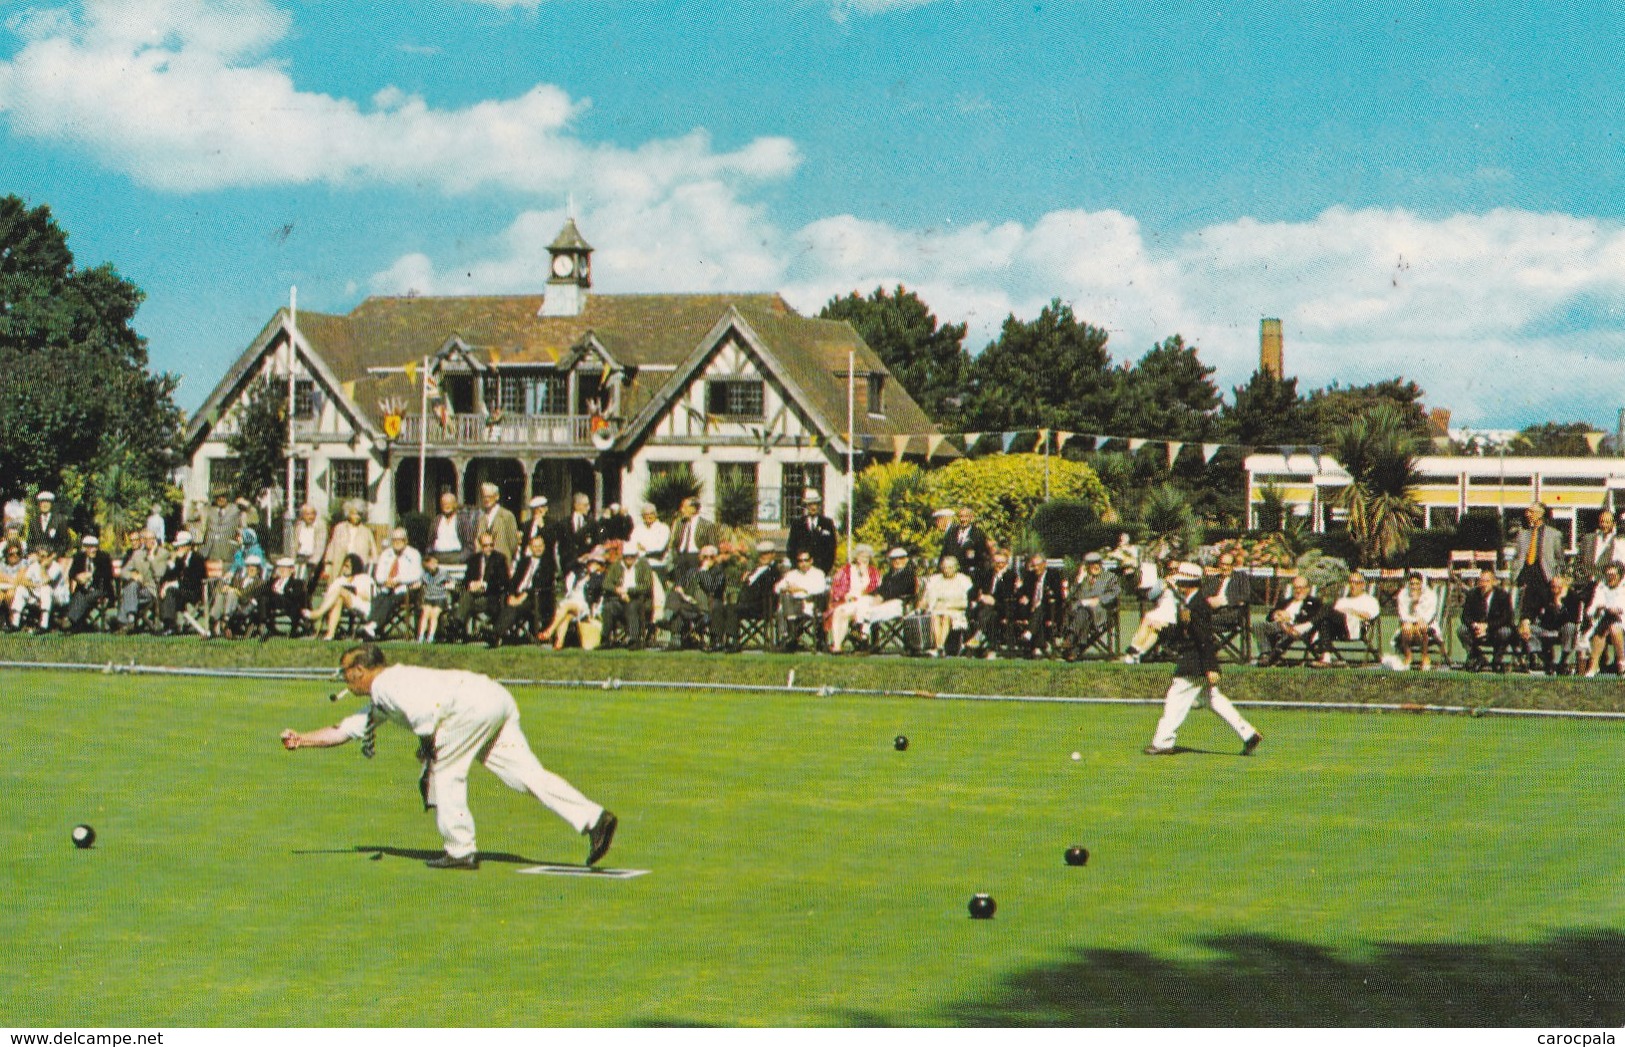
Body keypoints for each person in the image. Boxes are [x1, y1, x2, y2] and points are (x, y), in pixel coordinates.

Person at [278, 644, 618, 870]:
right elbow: (346, 729)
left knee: (446, 773)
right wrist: (302, 740)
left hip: (467, 708)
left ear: (359, 671)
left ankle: (460, 849)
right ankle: (594, 818)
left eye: (345, 673)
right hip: (492, 697)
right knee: (527, 775)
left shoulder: (386, 685)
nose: (344, 681)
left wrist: (428, 746)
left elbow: (425, 712)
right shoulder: (388, 690)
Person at [1144, 563, 1263, 757]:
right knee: (1214, 700)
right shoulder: (1192, 602)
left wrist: (1211, 667)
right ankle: (1248, 734)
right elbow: (1186, 632)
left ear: (1188, 582)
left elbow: (1204, 639)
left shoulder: (1197, 605)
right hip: (1196, 660)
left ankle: (1163, 742)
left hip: (1194, 662)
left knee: (1175, 700)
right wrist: (1162, 628)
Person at [491, 531, 554, 648]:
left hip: (535, 597)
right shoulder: (524, 561)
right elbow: (514, 581)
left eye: (540, 546)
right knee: (503, 602)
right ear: (530, 548)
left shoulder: (548, 563)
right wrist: (511, 595)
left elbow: (541, 583)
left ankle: (495, 633)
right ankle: (496, 632)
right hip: (518, 594)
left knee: (515, 608)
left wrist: (522, 597)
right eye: (535, 547)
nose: (538, 549)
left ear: (544, 546)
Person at [361, 528, 423, 640]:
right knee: (378, 599)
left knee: (389, 600)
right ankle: (371, 627)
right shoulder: (386, 554)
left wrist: (398, 580)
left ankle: (372, 626)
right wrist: (386, 581)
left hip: (405, 590)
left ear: (406, 540)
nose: (397, 542)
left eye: (400, 540)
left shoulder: (414, 554)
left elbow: (417, 575)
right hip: (387, 587)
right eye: (394, 540)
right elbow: (378, 575)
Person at [1309, 572, 1381, 667]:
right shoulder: (1343, 600)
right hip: (1337, 631)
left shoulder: (1370, 600)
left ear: (1363, 585)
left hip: (1355, 628)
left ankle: (1307, 626)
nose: (1352, 585)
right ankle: (1326, 658)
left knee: (1327, 608)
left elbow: (1370, 616)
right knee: (1325, 621)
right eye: (1351, 582)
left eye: (1356, 583)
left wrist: (1350, 611)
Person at [538, 554, 607, 649]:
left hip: (585, 605)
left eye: (596, 563)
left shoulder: (600, 577)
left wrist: (591, 575)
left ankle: (549, 631)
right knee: (566, 617)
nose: (592, 565)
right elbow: (568, 567)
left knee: (565, 606)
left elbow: (596, 590)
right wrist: (581, 560)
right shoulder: (581, 574)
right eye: (591, 563)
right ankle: (558, 644)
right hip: (574, 602)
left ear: (601, 566)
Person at [1512, 502, 1563, 629]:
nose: (1527, 514)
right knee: (1523, 615)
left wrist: (1557, 577)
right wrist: (1514, 574)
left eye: (1531, 511)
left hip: (1545, 578)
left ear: (1541, 514)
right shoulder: (1522, 534)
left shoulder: (1554, 534)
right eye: (1528, 511)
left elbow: (1560, 559)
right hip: (1526, 578)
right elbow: (1517, 557)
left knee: (1545, 616)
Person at [1253, 575, 1323, 667]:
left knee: (1287, 631)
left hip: (1296, 629)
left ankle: (1272, 658)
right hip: (1279, 625)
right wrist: (1276, 614)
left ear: (1307, 589)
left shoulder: (1314, 602)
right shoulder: (1286, 601)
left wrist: (1290, 617)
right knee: (1258, 625)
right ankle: (1266, 654)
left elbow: (1312, 618)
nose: (1298, 591)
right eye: (1295, 588)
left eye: (1301, 588)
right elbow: (1269, 617)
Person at [305, 553, 375, 642]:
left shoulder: (364, 578)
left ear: (355, 567)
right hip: (343, 603)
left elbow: (369, 597)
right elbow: (329, 595)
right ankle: (330, 635)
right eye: (344, 566)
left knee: (339, 590)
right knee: (338, 598)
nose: (344, 568)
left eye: (347, 566)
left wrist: (351, 591)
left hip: (362, 604)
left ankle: (317, 613)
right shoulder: (340, 580)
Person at [1063, 552, 1121, 660]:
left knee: (1085, 612)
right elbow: (1070, 596)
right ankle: (1076, 650)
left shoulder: (1110, 577)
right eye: (1091, 564)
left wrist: (1099, 600)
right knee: (1083, 613)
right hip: (1079, 613)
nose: (1095, 566)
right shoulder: (1083, 578)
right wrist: (1078, 581)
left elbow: (1115, 593)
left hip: (1099, 612)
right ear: (1086, 566)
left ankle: (1071, 638)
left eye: (1097, 563)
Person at [453, 532, 509, 642]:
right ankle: (458, 625)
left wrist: (484, 584)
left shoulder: (499, 559)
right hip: (474, 596)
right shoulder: (474, 559)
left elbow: (504, 581)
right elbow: (466, 580)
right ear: (480, 545)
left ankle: (457, 625)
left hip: (491, 597)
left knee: (466, 600)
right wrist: (470, 584)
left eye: (491, 545)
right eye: (485, 545)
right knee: (467, 594)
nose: (488, 548)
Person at [826, 544, 882, 653]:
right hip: (849, 601)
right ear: (856, 557)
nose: (864, 559)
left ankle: (861, 638)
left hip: (867, 603)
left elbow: (877, 589)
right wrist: (846, 596)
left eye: (866, 557)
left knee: (862, 604)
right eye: (861, 556)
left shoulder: (874, 572)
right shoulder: (846, 570)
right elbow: (836, 587)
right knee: (838, 612)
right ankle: (837, 645)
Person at [601, 541, 656, 649]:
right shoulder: (617, 565)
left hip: (639, 599)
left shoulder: (643, 565)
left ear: (636, 556)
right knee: (609, 607)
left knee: (632, 606)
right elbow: (606, 583)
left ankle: (634, 640)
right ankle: (605, 640)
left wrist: (628, 591)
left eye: (631, 556)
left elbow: (647, 586)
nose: (629, 559)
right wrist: (617, 590)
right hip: (620, 598)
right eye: (626, 557)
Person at [1457, 567, 1514, 672]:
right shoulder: (1472, 594)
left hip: (1495, 629)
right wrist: (1474, 625)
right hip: (1476, 629)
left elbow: (1506, 618)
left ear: (1494, 582)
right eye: (1481, 581)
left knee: (1505, 631)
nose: (1484, 584)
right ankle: (1478, 657)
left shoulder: (1503, 596)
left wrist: (1487, 627)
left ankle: (1497, 660)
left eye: (1487, 581)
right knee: (1462, 630)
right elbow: (1465, 615)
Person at [1525, 574, 1582, 675]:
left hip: (1563, 628)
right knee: (1529, 629)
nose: (1555, 589)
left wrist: (1559, 605)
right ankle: (1547, 662)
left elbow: (1574, 618)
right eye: (1552, 587)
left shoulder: (1572, 597)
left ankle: (1563, 661)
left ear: (1564, 587)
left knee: (1570, 627)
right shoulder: (1545, 594)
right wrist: (1526, 621)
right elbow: (1533, 611)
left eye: (1558, 587)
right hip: (1546, 627)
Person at [114, 529, 168, 632]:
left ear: (155, 540)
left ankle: (125, 623)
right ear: (143, 541)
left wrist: (152, 556)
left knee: (128, 593)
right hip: (139, 590)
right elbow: (123, 572)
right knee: (132, 585)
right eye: (146, 539)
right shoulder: (137, 555)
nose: (149, 541)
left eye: (152, 539)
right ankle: (131, 619)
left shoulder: (163, 553)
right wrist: (133, 575)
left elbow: (160, 573)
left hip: (154, 589)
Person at [774, 549, 828, 652]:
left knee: (786, 604)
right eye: (800, 561)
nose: (803, 563)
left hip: (810, 605)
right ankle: (790, 636)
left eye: (805, 560)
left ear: (811, 561)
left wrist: (800, 589)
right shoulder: (792, 574)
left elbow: (820, 589)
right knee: (786, 599)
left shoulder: (818, 574)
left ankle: (791, 637)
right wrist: (786, 589)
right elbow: (777, 588)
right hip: (792, 605)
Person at [1013, 553, 1064, 657]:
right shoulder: (1030, 576)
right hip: (1032, 610)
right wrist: (1022, 595)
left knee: (1040, 608)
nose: (1035, 568)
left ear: (1044, 564)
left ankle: (1029, 634)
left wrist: (1042, 601)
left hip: (1051, 610)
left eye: (1037, 565)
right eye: (1033, 565)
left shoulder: (1053, 576)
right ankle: (1039, 647)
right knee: (1038, 615)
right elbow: (1023, 592)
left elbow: (1058, 596)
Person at [158, 531, 209, 636]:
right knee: (162, 590)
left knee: (170, 591)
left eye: (181, 546)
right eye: (178, 547)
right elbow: (166, 577)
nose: (179, 549)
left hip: (194, 592)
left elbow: (192, 581)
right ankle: (167, 624)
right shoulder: (179, 559)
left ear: (188, 546)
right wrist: (172, 563)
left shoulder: (197, 559)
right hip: (181, 590)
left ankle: (170, 626)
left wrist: (171, 585)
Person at [921, 554, 974, 656]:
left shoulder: (963, 580)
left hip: (956, 609)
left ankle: (939, 648)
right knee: (935, 617)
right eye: (944, 567)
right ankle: (939, 647)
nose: (947, 570)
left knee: (945, 617)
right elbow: (928, 597)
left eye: (950, 567)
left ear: (956, 567)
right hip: (937, 609)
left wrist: (949, 606)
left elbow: (968, 601)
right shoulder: (935, 579)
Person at [63, 534, 115, 633]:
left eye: (95, 547)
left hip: (100, 588)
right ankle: (75, 623)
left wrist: (90, 575)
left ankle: (70, 621)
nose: (93, 550)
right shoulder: (79, 557)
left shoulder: (103, 557)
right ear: (85, 548)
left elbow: (108, 574)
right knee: (79, 595)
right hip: (83, 588)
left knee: (85, 596)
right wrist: (78, 577)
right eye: (90, 547)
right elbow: (72, 573)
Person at [1583, 561, 1625, 677]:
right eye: (1608, 575)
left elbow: (1621, 608)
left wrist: (1617, 610)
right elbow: (1590, 610)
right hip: (1603, 622)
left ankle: (1622, 662)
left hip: (1621, 622)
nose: (1610, 578)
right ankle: (1593, 666)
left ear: (1620, 576)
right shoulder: (1601, 587)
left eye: (1613, 575)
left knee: (1614, 627)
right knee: (1602, 629)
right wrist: (1597, 609)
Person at [940, 506, 994, 594]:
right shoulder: (951, 533)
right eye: (961, 516)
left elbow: (983, 560)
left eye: (966, 516)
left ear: (971, 518)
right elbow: (944, 554)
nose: (963, 519)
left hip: (970, 577)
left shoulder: (978, 534)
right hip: (951, 577)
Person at [254, 557, 310, 640]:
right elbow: (262, 591)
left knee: (266, 598)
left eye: (285, 568)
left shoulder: (297, 582)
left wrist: (280, 591)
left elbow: (296, 596)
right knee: (262, 598)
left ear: (292, 570)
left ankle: (264, 624)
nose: (282, 570)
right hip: (272, 603)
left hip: (288, 604)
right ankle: (264, 623)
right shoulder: (273, 581)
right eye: (280, 567)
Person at [1394, 572, 1440, 671]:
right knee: (1407, 628)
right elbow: (1403, 615)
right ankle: (1408, 656)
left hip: (1427, 626)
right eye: (1412, 584)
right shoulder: (1403, 594)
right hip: (1409, 625)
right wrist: (1413, 603)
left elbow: (1430, 616)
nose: (1414, 586)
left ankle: (1424, 657)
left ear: (1421, 584)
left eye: (1417, 584)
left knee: (1422, 627)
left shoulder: (1430, 595)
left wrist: (1416, 603)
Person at [323, 501, 378, 582]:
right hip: (340, 565)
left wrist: (373, 564)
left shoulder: (366, 531)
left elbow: (374, 552)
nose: (357, 517)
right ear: (348, 514)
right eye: (354, 514)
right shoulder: (339, 528)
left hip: (358, 567)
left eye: (359, 514)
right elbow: (332, 546)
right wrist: (328, 564)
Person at [1574, 509, 1622, 604]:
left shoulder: (1618, 541)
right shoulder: (1588, 539)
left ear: (1613, 523)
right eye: (1602, 521)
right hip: (1586, 585)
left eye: (1607, 522)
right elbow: (1579, 561)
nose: (1604, 525)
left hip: (1605, 586)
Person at [785, 489, 837, 574]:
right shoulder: (797, 524)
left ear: (819, 506)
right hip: (801, 570)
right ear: (805, 506)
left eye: (815, 504)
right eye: (810, 504)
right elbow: (791, 547)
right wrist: (798, 566)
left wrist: (825, 569)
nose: (813, 507)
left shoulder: (827, 523)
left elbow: (832, 548)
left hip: (821, 570)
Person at [10, 544, 62, 632]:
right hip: (36, 593)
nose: (41, 559)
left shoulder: (56, 567)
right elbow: (24, 581)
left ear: (49, 557)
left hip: (55, 596)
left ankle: (43, 625)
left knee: (45, 589)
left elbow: (46, 581)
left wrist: (42, 567)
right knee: (20, 589)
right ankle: (15, 624)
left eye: (44, 556)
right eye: (39, 556)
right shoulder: (34, 565)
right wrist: (34, 585)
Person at [668, 496, 719, 581]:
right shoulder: (679, 523)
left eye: (684, 507)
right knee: (679, 585)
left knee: (693, 584)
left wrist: (706, 561)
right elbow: (674, 543)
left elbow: (713, 545)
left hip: (696, 557)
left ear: (693, 509)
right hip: (680, 557)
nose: (681, 510)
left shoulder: (707, 525)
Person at [554, 492, 601, 574]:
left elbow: (598, 539)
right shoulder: (563, 523)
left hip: (587, 565)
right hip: (569, 565)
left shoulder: (592, 523)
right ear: (576, 505)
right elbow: (560, 547)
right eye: (585, 505)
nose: (588, 508)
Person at [474, 482, 520, 564]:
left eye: (489, 496)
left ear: (497, 497)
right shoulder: (481, 517)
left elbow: (513, 543)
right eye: (484, 497)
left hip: (502, 562)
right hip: (485, 562)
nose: (486, 499)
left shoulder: (507, 515)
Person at [427, 491, 477, 566]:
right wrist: (429, 556)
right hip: (437, 558)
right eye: (444, 504)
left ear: (455, 504)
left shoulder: (463, 520)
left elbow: (470, 545)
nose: (446, 506)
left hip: (456, 557)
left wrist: (461, 558)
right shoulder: (436, 520)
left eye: (449, 503)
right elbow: (430, 541)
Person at [416, 552, 454, 643]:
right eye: (430, 563)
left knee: (434, 614)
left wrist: (449, 585)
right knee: (425, 614)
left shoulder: (443, 573)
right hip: (429, 598)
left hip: (440, 598)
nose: (433, 565)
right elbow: (420, 583)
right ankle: (421, 636)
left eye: (435, 563)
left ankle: (431, 636)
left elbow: (452, 582)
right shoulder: (425, 575)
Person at [200, 489, 244, 563]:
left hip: (228, 552)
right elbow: (191, 517)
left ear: (227, 497)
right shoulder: (208, 509)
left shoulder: (235, 509)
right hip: (210, 552)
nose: (221, 499)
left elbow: (253, 516)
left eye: (223, 496)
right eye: (218, 497)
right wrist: (195, 504)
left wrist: (246, 503)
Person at [628, 504, 671, 578]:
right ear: (642, 516)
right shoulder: (638, 529)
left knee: (658, 589)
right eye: (646, 514)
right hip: (640, 564)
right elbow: (632, 544)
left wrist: (644, 548)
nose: (648, 516)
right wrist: (645, 548)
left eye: (651, 514)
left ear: (656, 515)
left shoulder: (663, 528)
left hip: (657, 564)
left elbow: (659, 547)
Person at [290, 503, 327, 580]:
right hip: (300, 557)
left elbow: (320, 546)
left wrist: (313, 562)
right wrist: (292, 559)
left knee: (306, 581)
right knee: (296, 579)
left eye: (313, 514)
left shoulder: (320, 526)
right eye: (307, 514)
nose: (311, 516)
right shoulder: (299, 526)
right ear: (302, 515)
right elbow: (294, 544)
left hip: (312, 559)